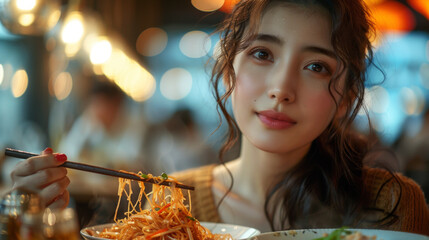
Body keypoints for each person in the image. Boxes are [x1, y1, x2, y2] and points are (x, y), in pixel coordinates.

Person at [8, 0, 429, 235]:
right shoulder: (171, 205)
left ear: (346, 96)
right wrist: (47, 226)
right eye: (262, 54)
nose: (281, 89)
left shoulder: (391, 205)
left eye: (316, 66)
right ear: (229, 73)